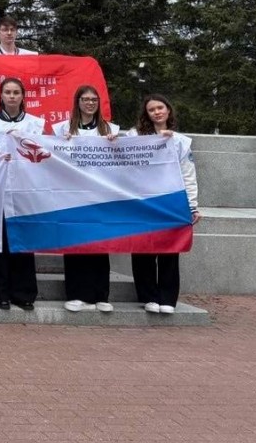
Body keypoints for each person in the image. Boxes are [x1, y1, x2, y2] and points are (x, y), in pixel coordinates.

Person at [128, 94, 201, 315]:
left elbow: (188, 174)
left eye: (160, 108)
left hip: (172, 200)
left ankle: (168, 297)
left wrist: (192, 205)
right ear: (146, 115)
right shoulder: (135, 136)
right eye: (152, 110)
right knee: (143, 248)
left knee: (169, 249)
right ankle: (148, 295)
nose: (157, 112)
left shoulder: (181, 141)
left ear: (168, 110)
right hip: (143, 200)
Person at [0, 77, 44, 311]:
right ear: (1, 96)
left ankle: (23, 293)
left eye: (16, 92)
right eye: (8, 92)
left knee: (23, 242)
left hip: (25, 190)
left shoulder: (36, 124)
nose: (12, 96)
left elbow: (43, 156)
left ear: (23, 96)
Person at [53, 84, 120, 314]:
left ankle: (101, 294)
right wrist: (63, 143)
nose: (90, 103)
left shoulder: (111, 129)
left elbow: (121, 161)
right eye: (85, 99)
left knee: (100, 246)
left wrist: (115, 145)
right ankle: (76, 294)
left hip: (100, 196)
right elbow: (52, 157)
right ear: (77, 102)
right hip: (72, 195)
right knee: (75, 245)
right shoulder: (62, 128)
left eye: (94, 99)